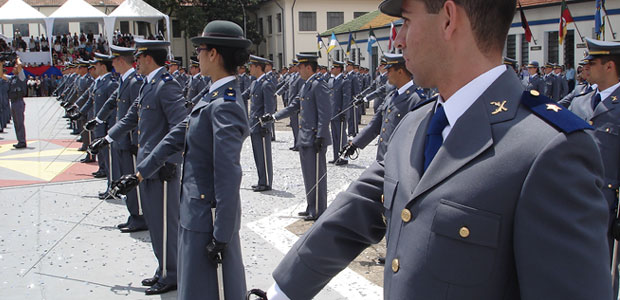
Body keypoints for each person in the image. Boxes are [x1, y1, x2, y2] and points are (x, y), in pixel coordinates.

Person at [262, 0, 612, 299]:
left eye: (406, 21)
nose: (397, 38)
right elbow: (354, 214)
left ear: (448, 18)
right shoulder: (415, 124)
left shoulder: (550, 149)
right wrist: (283, 290)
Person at [110, 20, 251, 300]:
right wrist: (139, 174)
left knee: (209, 290)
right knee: (193, 288)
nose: (196, 54)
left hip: (206, 220)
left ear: (214, 54)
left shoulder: (226, 105)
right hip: (192, 214)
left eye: (200, 49)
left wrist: (222, 235)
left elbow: (228, 175)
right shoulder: (211, 95)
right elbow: (177, 135)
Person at [88, 39, 187, 295]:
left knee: (166, 223)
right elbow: (131, 116)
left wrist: (166, 160)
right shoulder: (148, 86)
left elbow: (181, 126)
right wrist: (107, 138)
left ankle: (172, 273)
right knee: (155, 221)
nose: (136, 63)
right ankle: (163, 268)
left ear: (148, 58)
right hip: (147, 165)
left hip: (161, 167)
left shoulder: (166, 85)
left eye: (139, 58)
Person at [567, 38, 620, 298]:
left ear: (609, 66)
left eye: (592, 62)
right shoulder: (580, 102)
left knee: (605, 272)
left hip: (607, 206)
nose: (586, 67)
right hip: (572, 198)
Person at [260, 53, 331, 221]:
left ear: (308, 67)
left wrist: (321, 135)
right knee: (308, 174)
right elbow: (294, 106)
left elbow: (325, 113)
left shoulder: (318, 85)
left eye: (300, 67)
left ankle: (319, 210)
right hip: (305, 137)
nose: (297, 70)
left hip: (314, 138)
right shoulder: (306, 85)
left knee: (317, 175)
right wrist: (274, 116)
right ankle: (311, 206)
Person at [86, 45, 146, 233]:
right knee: (123, 175)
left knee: (132, 181)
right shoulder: (123, 80)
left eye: (114, 60)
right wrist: (97, 120)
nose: (112, 63)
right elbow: (111, 102)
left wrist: (136, 142)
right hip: (121, 139)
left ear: (121, 60)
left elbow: (137, 114)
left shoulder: (135, 82)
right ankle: (132, 214)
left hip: (130, 141)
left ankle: (140, 216)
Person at [343, 53, 424, 162]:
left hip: (400, 162)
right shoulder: (391, 96)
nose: (386, 74)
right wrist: (354, 144)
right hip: (383, 159)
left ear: (400, 72)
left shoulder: (416, 99)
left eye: (389, 71)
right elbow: (376, 124)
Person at [245, 55, 275, 192]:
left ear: (258, 67)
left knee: (264, 155)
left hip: (261, 126)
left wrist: (266, 126)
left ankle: (266, 182)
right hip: (254, 126)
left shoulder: (266, 84)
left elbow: (269, 108)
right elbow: (243, 95)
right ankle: (261, 180)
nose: (249, 68)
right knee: (258, 155)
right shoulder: (254, 83)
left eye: (251, 66)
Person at [328, 60, 350, 165]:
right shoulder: (331, 81)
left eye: (333, 68)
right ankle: (336, 156)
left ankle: (343, 157)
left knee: (341, 136)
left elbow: (346, 98)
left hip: (340, 113)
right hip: (332, 113)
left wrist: (344, 112)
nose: (331, 69)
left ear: (338, 69)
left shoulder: (344, 81)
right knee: (335, 136)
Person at [6, 57, 27, 148]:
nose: (13, 68)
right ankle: (20, 140)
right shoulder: (12, 78)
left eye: (15, 67)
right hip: (13, 102)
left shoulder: (21, 76)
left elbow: (19, 66)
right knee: (16, 123)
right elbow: (1, 75)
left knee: (19, 122)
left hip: (18, 101)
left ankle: (22, 141)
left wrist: (17, 58)